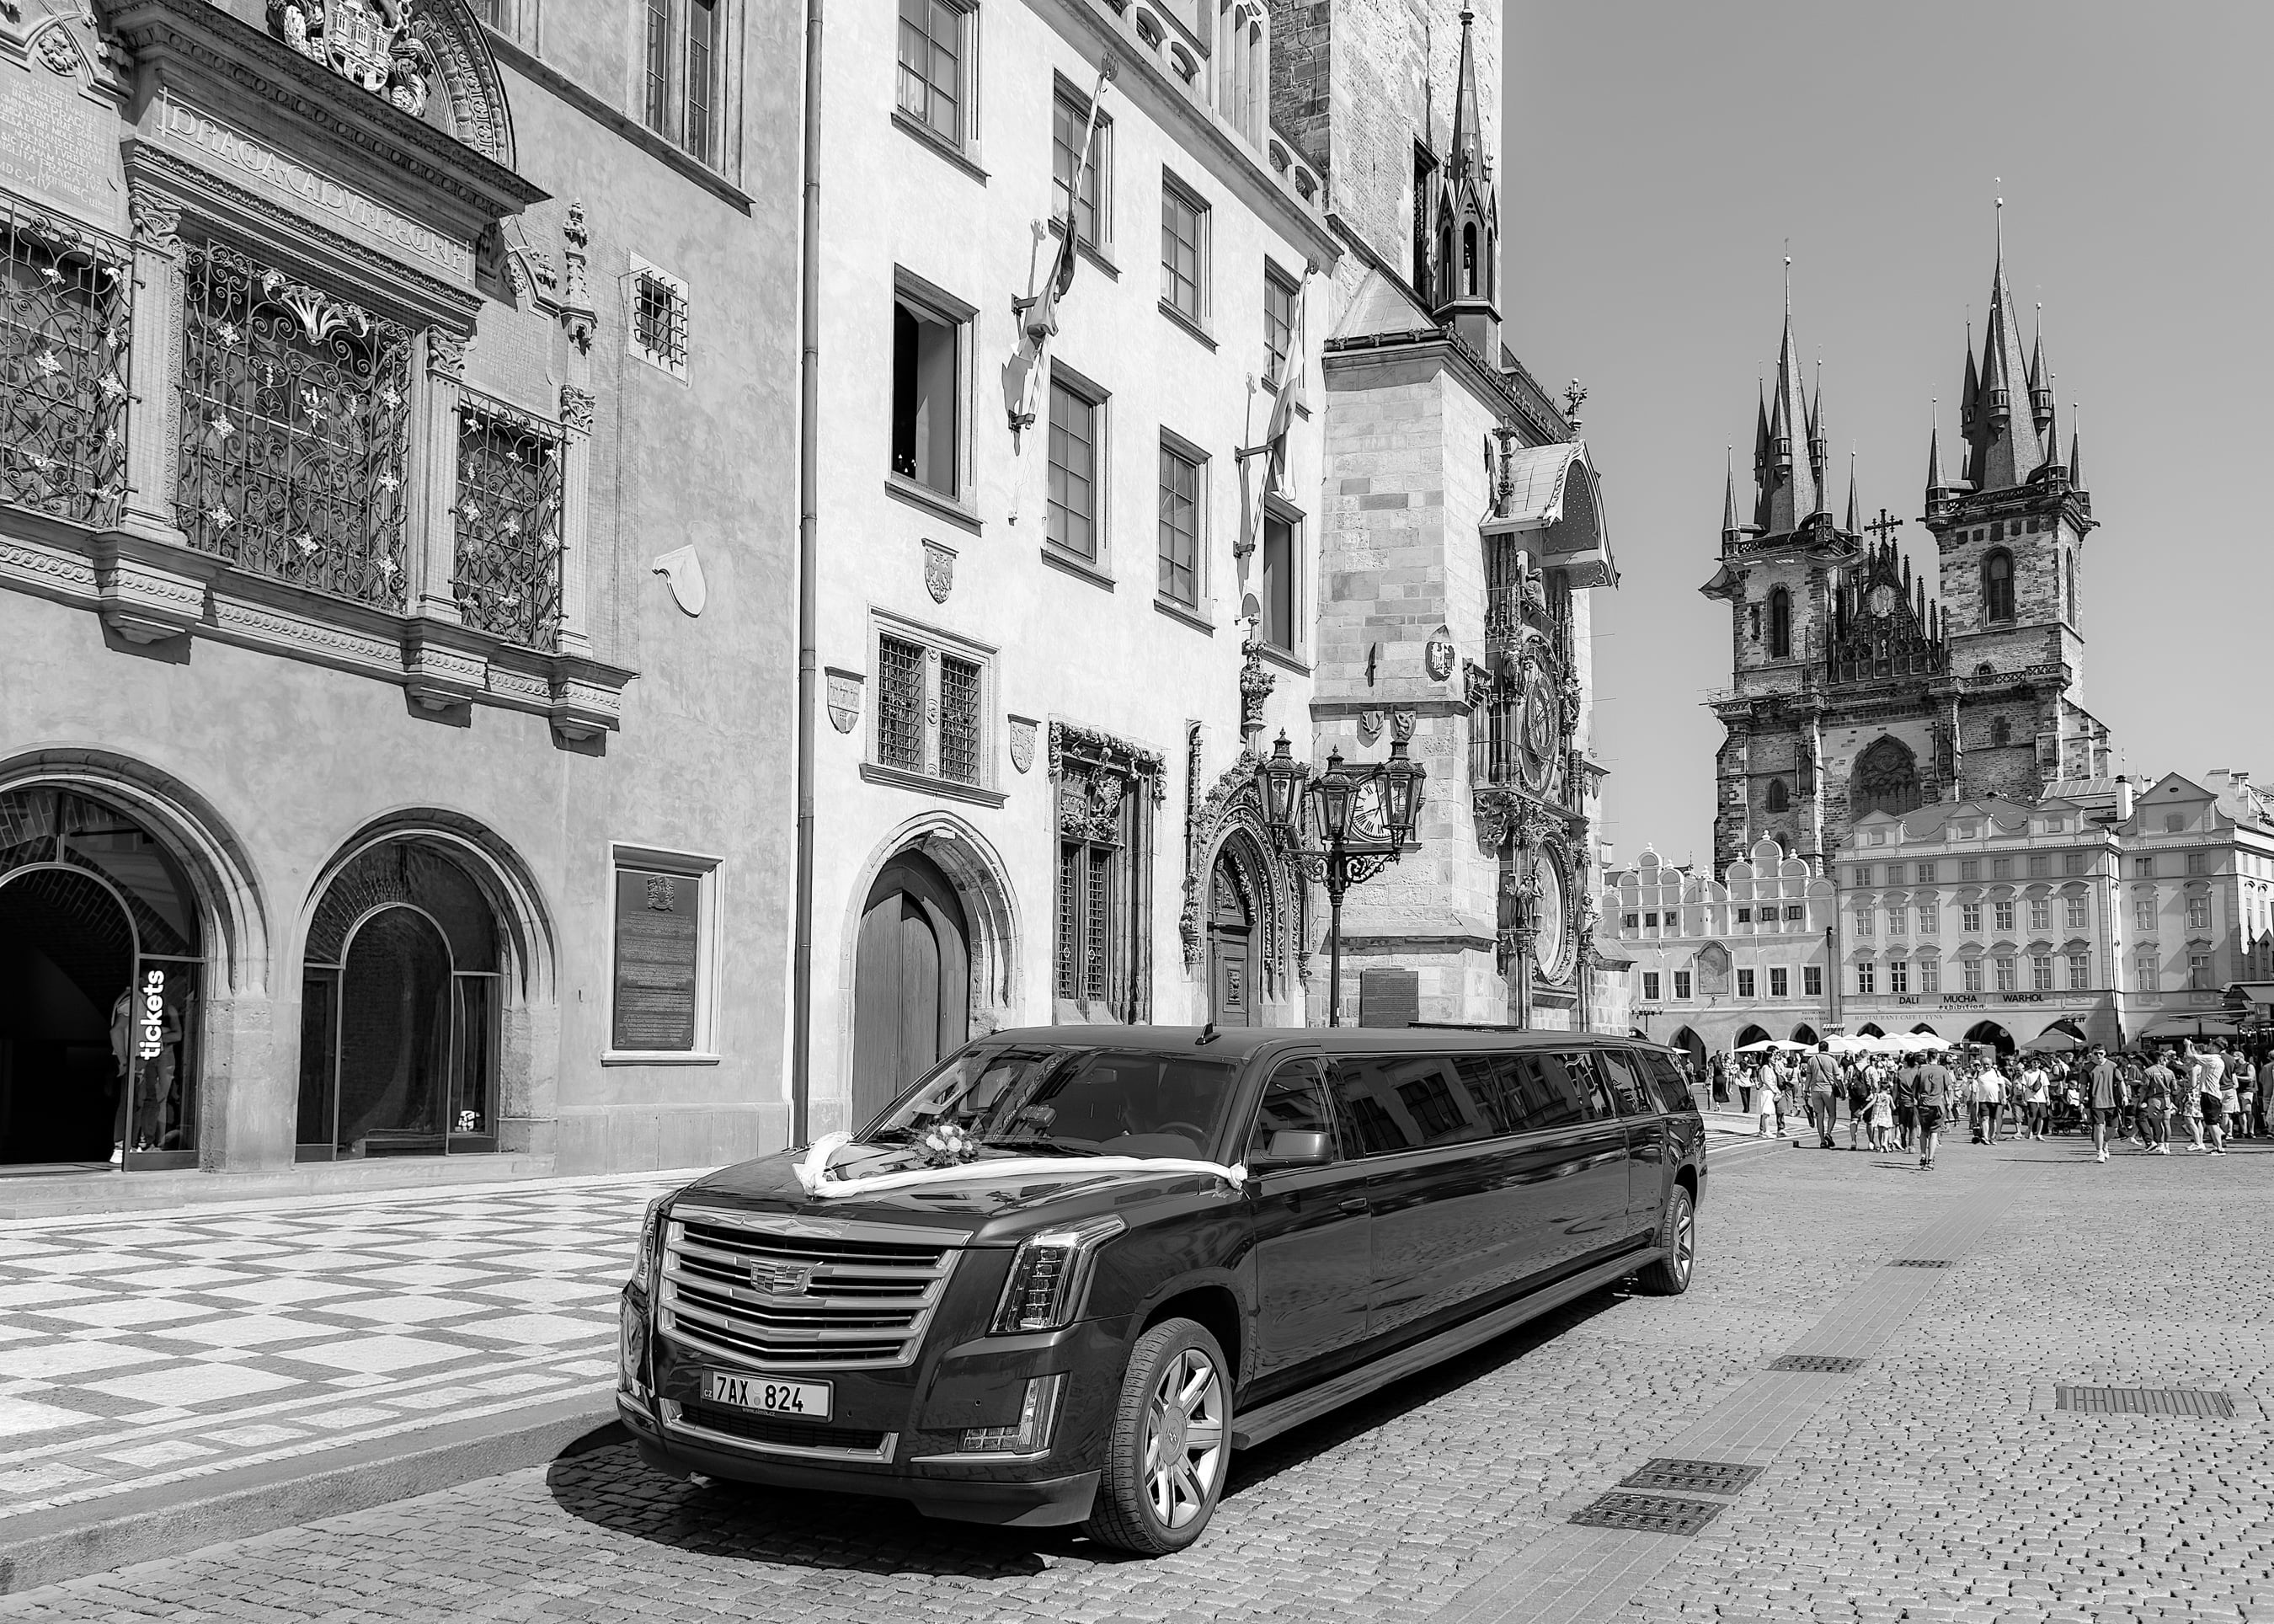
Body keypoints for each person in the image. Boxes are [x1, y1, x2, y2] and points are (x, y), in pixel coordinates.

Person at [1913, 1050, 1951, 1170]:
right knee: (1934, 1133)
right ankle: (1930, 1159)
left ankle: (1923, 1155)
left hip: (1924, 1104)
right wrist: (1950, 1103)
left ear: (1927, 1058)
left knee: (1924, 1132)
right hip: (1938, 1105)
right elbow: (1948, 1088)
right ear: (1938, 1057)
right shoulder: (1943, 1070)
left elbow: (1914, 1089)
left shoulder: (1921, 1070)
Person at [2187, 1040, 2228, 1155]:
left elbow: (2191, 1057)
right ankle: (2218, 1144)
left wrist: (2187, 1045)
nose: (2208, 1047)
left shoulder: (2212, 1059)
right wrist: (2191, 1047)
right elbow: (2196, 1057)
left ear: (2215, 1048)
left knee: (2211, 1122)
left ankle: (2219, 1147)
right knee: (2211, 1122)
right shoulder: (2216, 1059)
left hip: (2210, 1094)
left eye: (2210, 1045)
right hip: (2212, 1094)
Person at [2086, 1044, 2124, 1162]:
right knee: (2099, 1126)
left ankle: (2105, 1142)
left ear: (2105, 1053)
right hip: (2096, 1102)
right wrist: (2081, 1101)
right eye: (2096, 1053)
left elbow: (2121, 1081)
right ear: (2092, 1054)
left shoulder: (2113, 1066)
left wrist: (2125, 1096)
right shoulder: (2087, 1068)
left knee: (2114, 1128)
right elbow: (2083, 1085)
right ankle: (2099, 1152)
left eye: (2101, 1053)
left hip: (2112, 1101)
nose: (2098, 1056)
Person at [1806, 1042, 1841, 1149]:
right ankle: (1828, 1133)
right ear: (1828, 1048)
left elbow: (1808, 1078)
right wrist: (1842, 1091)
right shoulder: (1832, 1060)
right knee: (1832, 1114)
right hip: (1828, 1090)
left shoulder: (1812, 1060)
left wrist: (1805, 1090)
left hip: (1815, 1090)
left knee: (1819, 1116)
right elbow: (1837, 1078)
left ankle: (1822, 1140)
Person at [2137, 1052, 2173, 1155]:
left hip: (2155, 1098)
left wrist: (2141, 1100)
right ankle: (2167, 1145)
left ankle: (2160, 1145)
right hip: (2167, 1098)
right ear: (2161, 1060)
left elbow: (2144, 1087)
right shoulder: (2169, 1072)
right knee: (2167, 1123)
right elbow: (2174, 1088)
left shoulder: (2148, 1071)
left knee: (2157, 1124)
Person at [2020, 1055, 2051, 1141]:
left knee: (2041, 1116)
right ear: (2031, 1063)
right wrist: (2024, 1097)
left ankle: (2039, 1134)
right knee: (2033, 1115)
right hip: (2031, 1098)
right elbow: (2024, 1086)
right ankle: (2029, 1129)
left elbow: (2045, 1086)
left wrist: (2047, 1098)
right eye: (2034, 1062)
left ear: (2040, 1064)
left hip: (2041, 1098)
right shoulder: (2026, 1073)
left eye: (2038, 1063)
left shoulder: (2043, 1074)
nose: (2036, 1064)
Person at [2232, 1049, 2257, 1140]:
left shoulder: (2248, 1066)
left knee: (2248, 1111)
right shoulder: (2235, 1067)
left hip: (2247, 1090)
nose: (2236, 1062)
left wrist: (2237, 1078)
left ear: (2242, 1058)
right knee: (2240, 1112)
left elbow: (2251, 1078)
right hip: (2238, 1091)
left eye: (2237, 1060)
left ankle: (2251, 1131)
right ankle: (2244, 1131)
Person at [1867, 1076, 1895, 1154]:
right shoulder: (1889, 1097)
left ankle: (1881, 1145)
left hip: (1878, 1114)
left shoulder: (1877, 1095)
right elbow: (1893, 1107)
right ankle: (1885, 1142)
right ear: (1888, 1089)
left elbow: (1872, 1103)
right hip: (1887, 1114)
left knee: (1880, 1130)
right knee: (1886, 1129)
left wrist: (1864, 1110)